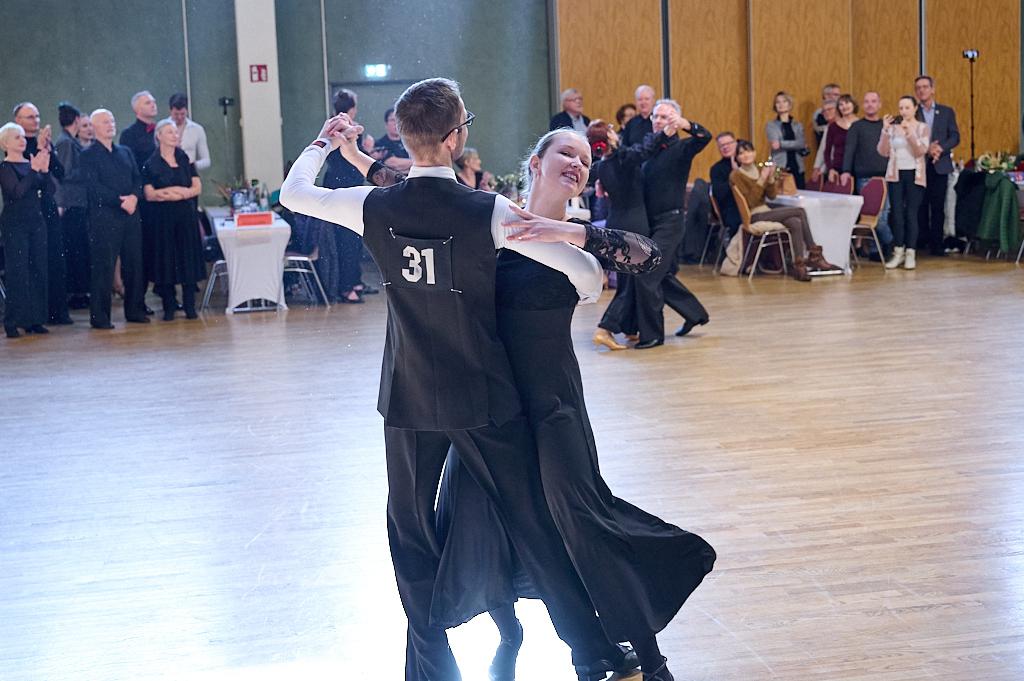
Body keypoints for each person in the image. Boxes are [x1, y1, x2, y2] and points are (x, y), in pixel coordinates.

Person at [280, 77, 637, 681]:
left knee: (413, 539)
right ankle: (593, 654)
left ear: (406, 134)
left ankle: (431, 672)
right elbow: (580, 276)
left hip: (409, 395)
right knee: (534, 526)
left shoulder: (372, 204)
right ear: (456, 138)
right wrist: (578, 256)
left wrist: (322, 143)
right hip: (484, 394)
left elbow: (294, 194)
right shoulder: (489, 210)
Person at [350, 123, 714, 681]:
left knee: (581, 518)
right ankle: (513, 635)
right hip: (486, 404)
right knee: (482, 522)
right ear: (536, 164)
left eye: (586, 160)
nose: (578, 163)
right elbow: (416, 190)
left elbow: (646, 258)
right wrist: (359, 161)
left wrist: (567, 233)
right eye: (566, 152)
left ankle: (646, 657)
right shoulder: (491, 218)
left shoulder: (579, 241)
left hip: (551, 405)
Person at [636, 99, 711, 347]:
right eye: (656, 117)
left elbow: (705, 136)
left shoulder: (682, 148)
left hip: (671, 221)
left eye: (665, 117)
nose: (659, 121)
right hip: (650, 222)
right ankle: (695, 314)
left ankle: (653, 335)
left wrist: (686, 124)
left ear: (676, 121)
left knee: (647, 273)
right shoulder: (650, 148)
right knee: (663, 275)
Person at [587, 119, 660, 351]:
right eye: (611, 130)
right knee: (631, 283)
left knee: (629, 280)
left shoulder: (604, 165)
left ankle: (630, 328)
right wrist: (663, 131)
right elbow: (645, 150)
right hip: (634, 223)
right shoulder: (622, 160)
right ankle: (605, 328)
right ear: (608, 137)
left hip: (616, 222)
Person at [729, 139, 840, 281]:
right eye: (741, 153)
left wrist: (770, 179)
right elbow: (750, 201)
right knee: (799, 211)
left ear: (754, 152)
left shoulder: (758, 169)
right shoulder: (736, 175)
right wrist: (762, 179)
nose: (746, 155)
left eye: (748, 151)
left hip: (765, 210)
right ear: (737, 158)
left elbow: (772, 196)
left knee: (795, 222)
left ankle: (800, 267)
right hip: (753, 215)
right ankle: (814, 255)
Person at [80, 109, 148, 329]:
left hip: (130, 214)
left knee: (134, 264)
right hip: (105, 217)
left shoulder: (125, 152)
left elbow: (137, 178)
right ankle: (100, 317)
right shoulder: (88, 155)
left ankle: (135, 310)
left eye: (112, 120)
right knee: (104, 266)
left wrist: (134, 197)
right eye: (105, 122)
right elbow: (93, 187)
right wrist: (121, 201)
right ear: (94, 127)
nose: (110, 124)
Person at [16, 102, 71, 325]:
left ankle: (57, 311)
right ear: (18, 120)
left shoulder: (45, 143)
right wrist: (39, 148)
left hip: (47, 204)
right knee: (33, 259)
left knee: (55, 255)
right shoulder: (17, 144)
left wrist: (46, 148)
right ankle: (35, 313)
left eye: (37, 116)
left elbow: (59, 172)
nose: (35, 120)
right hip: (27, 206)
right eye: (29, 117)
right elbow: (29, 173)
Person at [142, 119, 204, 318]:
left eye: (176, 132)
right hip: (163, 220)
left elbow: (197, 187)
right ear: (159, 136)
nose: (175, 135)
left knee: (187, 260)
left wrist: (176, 193)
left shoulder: (185, 158)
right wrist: (178, 191)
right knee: (166, 261)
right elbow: (150, 193)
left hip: (185, 217)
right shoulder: (150, 163)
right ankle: (169, 307)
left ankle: (190, 307)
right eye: (170, 132)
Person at [321, 88, 374, 304]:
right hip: (346, 191)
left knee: (352, 240)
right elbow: (351, 161)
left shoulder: (331, 126)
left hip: (341, 188)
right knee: (347, 241)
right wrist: (368, 150)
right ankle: (346, 287)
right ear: (352, 108)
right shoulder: (346, 129)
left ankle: (354, 281)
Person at [1, 122, 51, 338]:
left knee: (38, 269)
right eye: (17, 137)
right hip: (15, 224)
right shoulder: (5, 167)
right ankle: (12, 321)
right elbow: (17, 192)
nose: (22, 140)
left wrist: (45, 171)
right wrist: (34, 170)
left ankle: (35, 319)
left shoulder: (30, 163)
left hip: (36, 222)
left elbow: (49, 189)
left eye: (23, 137)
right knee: (18, 272)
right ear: (5, 143)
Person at [878, 96, 929, 270]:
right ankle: (898, 251)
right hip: (896, 174)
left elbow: (921, 151)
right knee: (897, 213)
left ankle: (911, 252)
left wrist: (909, 133)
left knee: (911, 214)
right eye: (901, 108)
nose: (904, 111)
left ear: (915, 108)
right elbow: (883, 151)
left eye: (907, 107)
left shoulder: (922, 128)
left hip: (915, 175)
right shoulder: (893, 129)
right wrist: (885, 131)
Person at [913, 75, 960, 255]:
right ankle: (922, 239)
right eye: (918, 88)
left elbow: (955, 136)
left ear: (932, 89)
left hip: (940, 164)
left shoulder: (946, 112)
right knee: (920, 205)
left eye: (925, 87)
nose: (922, 90)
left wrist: (939, 148)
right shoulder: (913, 112)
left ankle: (937, 243)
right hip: (920, 164)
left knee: (938, 205)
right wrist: (927, 148)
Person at [841, 91, 893, 252]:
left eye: (873, 101)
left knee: (882, 216)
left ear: (879, 104)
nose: (870, 104)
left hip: (885, 177)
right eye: (867, 101)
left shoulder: (886, 127)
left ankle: (876, 249)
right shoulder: (857, 127)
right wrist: (846, 171)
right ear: (863, 105)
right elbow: (849, 150)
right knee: (871, 217)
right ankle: (890, 244)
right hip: (864, 177)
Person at [120, 91, 159, 306]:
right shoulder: (129, 135)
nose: (153, 104)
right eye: (147, 102)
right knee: (140, 252)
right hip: (144, 200)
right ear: (137, 109)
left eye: (153, 101)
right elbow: (132, 169)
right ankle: (138, 300)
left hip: (162, 200)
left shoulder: (162, 130)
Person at [54, 101, 91, 310]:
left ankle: (80, 291)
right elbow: (65, 173)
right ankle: (76, 292)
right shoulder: (67, 143)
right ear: (76, 120)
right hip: (72, 201)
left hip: (77, 201)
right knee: (75, 248)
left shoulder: (68, 141)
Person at [765, 91, 808, 189]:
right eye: (777, 102)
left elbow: (801, 144)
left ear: (789, 104)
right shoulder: (771, 125)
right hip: (779, 167)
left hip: (797, 166)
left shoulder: (797, 125)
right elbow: (774, 145)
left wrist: (781, 143)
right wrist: (795, 144)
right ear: (775, 106)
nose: (781, 104)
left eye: (784, 101)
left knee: (800, 196)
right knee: (780, 196)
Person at [168, 92, 211, 172]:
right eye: (176, 114)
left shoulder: (197, 129)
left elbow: (206, 160)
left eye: (182, 114)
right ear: (170, 111)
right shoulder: (162, 128)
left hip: (190, 176)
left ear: (187, 111)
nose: (179, 117)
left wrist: (192, 165)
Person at [710, 131, 741, 235]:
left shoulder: (745, 161)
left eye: (728, 143)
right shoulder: (716, 169)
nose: (725, 147)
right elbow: (720, 194)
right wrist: (734, 175)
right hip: (732, 211)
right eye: (722, 145)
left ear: (736, 144)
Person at [823, 94, 859, 184]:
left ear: (853, 105)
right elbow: (827, 151)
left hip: (858, 171)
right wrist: (830, 169)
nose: (844, 106)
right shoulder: (833, 127)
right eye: (841, 104)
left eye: (847, 103)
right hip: (838, 170)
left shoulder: (861, 125)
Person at [373, 107, 413, 172]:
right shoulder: (379, 144)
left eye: (399, 120)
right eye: (392, 120)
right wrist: (415, 163)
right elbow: (394, 164)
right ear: (386, 124)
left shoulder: (410, 142)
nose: (396, 123)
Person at [810, 99, 837, 183]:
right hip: (828, 169)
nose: (826, 112)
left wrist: (821, 169)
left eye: (829, 109)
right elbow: (822, 149)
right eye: (824, 111)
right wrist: (816, 167)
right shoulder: (828, 127)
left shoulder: (842, 126)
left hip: (838, 169)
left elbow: (834, 152)